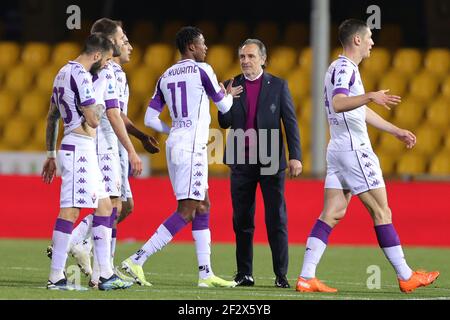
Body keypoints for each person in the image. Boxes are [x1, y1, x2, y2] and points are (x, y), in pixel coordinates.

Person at [295, 19, 439, 294]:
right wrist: (371, 96)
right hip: (353, 150)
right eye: (370, 37)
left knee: (332, 213)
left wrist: (395, 130)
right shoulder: (345, 69)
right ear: (357, 40)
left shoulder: (339, 68)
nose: (373, 42)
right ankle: (406, 275)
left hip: (338, 148)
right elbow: (339, 103)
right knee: (382, 211)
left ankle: (306, 277)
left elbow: (355, 109)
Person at [120, 26, 243, 288]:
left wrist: (172, 129)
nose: (206, 48)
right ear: (191, 47)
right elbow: (224, 107)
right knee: (186, 211)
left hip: (176, 145)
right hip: (192, 148)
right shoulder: (203, 70)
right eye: (202, 44)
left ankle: (205, 273)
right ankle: (136, 260)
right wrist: (229, 95)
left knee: (203, 206)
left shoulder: (165, 75)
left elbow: (150, 118)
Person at [56, 19, 159, 286]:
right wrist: (132, 150)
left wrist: (136, 138)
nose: (128, 44)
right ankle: (93, 259)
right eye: (122, 39)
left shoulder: (95, 71)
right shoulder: (106, 71)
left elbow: (114, 113)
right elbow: (110, 114)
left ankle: (100, 265)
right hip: (100, 146)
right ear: (108, 42)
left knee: (117, 206)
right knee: (110, 206)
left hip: (103, 144)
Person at [42, 33, 133, 291]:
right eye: (104, 61)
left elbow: (51, 117)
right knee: (70, 211)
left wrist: (50, 154)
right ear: (96, 55)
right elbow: (93, 119)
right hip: (79, 148)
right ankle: (56, 276)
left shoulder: (62, 72)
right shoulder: (82, 75)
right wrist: (102, 89)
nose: (105, 65)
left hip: (79, 148)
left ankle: (105, 275)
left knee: (105, 207)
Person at [218, 39, 302, 288]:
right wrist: (225, 100)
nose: (245, 61)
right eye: (242, 57)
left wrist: (295, 155)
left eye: (251, 56)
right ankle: (245, 274)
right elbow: (224, 122)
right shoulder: (230, 85)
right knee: (242, 220)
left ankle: (281, 275)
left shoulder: (278, 85)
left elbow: (291, 122)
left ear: (263, 59)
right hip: (241, 162)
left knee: (276, 219)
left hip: (270, 161)